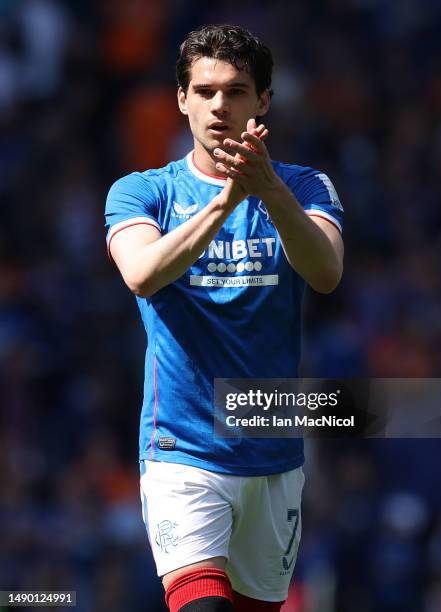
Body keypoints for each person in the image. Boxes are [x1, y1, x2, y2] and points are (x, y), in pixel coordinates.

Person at [105, 24, 344, 612]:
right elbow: (142, 272)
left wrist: (269, 194)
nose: (219, 105)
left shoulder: (305, 186)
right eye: (205, 90)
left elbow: (326, 272)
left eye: (236, 91)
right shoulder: (142, 193)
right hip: (180, 449)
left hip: (272, 452)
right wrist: (225, 204)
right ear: (181, 98)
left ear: (263, 101)